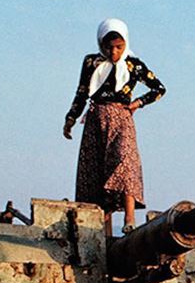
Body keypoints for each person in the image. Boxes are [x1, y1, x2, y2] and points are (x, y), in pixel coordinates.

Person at [64, 18, 166, 234]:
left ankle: (130, 220)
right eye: (109, 47)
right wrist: (71, 118)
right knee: (97, 172)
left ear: (125, 44)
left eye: (119, 47)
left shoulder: (133, 64)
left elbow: (159, 88)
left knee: (125, 162)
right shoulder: (92, 63)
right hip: (96, 119)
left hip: (122, 118)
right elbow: (82, 92)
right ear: (101, 44)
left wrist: (138, 104)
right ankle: (105, 231)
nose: (114, 52)